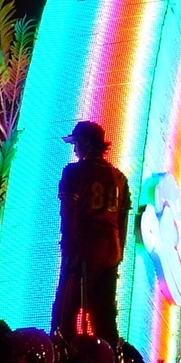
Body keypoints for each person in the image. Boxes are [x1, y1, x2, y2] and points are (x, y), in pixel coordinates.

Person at [51, 120, 130, 340]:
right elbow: (122, 221)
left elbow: (68, 215)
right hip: (111, 251)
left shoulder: (74, 173)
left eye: (76, 143)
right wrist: (117, 254)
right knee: (105, 315)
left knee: (66, 311)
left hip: (84, 248)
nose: (74, 149)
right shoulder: (120, 178)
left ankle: (62, 360)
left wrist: (69, 250)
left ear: (85, 144)